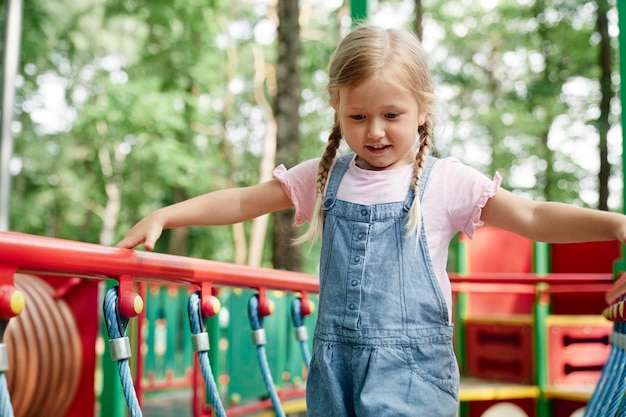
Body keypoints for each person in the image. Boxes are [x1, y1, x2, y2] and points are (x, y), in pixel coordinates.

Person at [117, 25, 626, 417]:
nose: (375, 131)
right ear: (337, 106)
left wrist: (617, 225)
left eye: (392, 115)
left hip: (412, 372)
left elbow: (534, 215)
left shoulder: (447, 182)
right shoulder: (322, 178)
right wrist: (166, 213)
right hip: (334, 369)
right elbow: (243, 202)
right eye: (358, 117)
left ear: (422, 109)